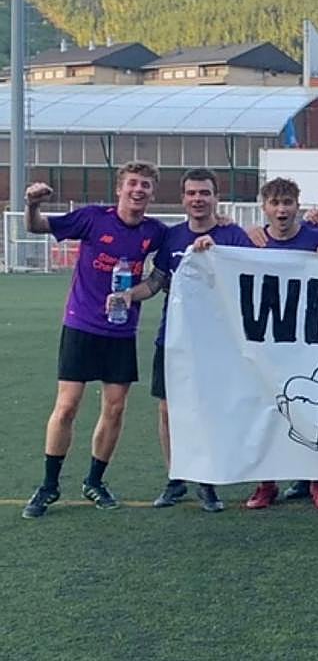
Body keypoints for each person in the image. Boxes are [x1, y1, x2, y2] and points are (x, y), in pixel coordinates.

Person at [21, 162, 169, 519]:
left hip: (120, 331)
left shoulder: (156, 232)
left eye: (145, 185)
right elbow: (37, 226)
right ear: (119, 188)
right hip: (82, 325)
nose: (138, 190)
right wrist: (31, 203)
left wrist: (133, 294)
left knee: (115, 407)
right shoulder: (91, 218)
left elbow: (158, 278)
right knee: (68, 405)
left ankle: (94, 481)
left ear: (152, 192)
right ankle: (48, 485)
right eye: (132, 183)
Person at [106, 167, 252, 513]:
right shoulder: (171, 237)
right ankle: (176, 478)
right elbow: (156, 281)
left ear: (216, 197)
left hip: (218, 342)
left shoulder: (232, 235)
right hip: (173, 339)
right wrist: (129, 295)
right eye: (191, 193)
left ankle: (208, 481)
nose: (198, 199)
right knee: (169, 410)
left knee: (210, 410)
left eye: (205, 193)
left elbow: (257, 270)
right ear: (183, 198)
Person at [244, 177, 318, 511]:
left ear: (298, 205)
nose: (281, 209)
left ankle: (317, 481)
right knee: (267, 411)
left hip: (307, 341)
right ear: (265, 208)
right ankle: (266, 483)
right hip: (266, 342)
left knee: (309, 410)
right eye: (275, 203)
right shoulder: (252, 242)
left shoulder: (315, 240)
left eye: (287, 203)